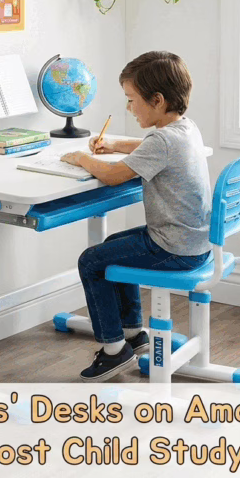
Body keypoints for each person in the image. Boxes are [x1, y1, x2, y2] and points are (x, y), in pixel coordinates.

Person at [60, 51, 212, 382]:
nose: (129, 108)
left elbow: (114, 176)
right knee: (115, 243)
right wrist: (113, 142)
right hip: (194, 241)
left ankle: (113, 351)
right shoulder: (185, 128)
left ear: (157, 101)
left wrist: (81, 159)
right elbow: (150, 146)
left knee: (90, 261)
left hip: (173, 248)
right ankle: (132, 332)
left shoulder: (162, 141)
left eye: (132, 100)